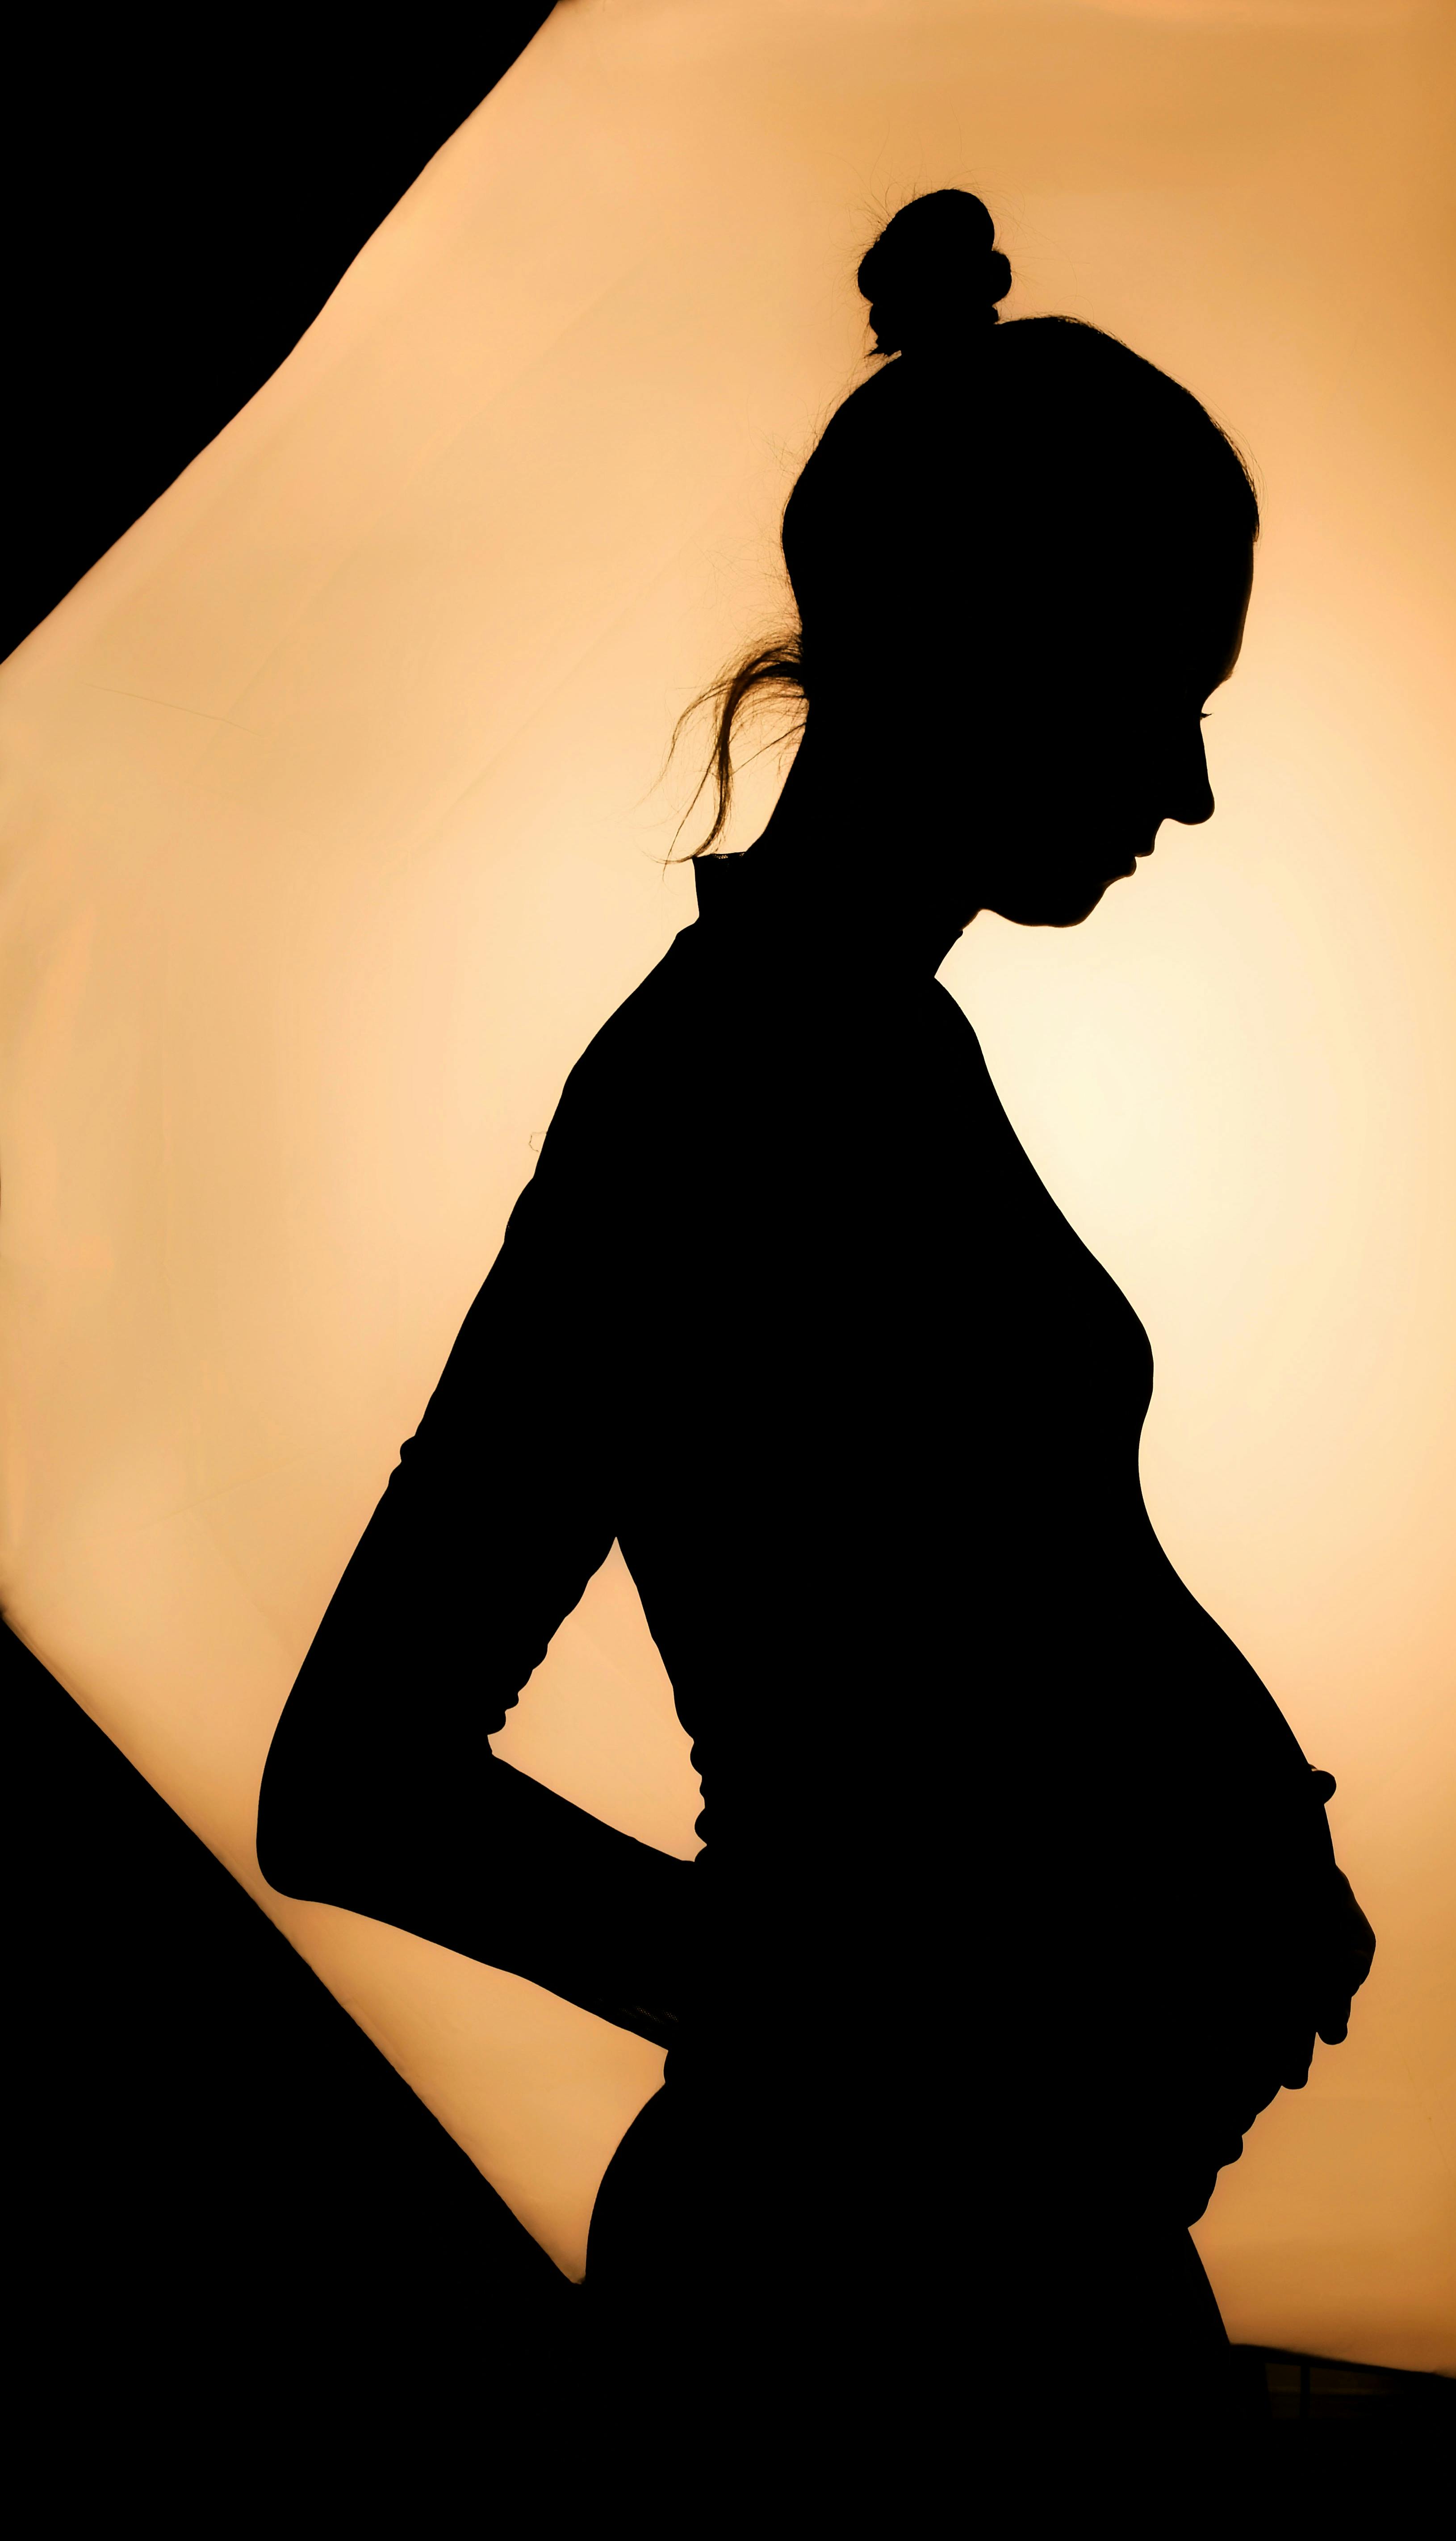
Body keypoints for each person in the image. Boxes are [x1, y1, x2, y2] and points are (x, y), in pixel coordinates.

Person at [258, 189, 1374, 2500]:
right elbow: (353, 1778)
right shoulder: (720, 1089)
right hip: (861, 2311)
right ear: (1000, 641)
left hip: (1003, 2265)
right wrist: (883, 2052)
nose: (1181, 787)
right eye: (1163, 687)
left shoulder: (874, 1055)